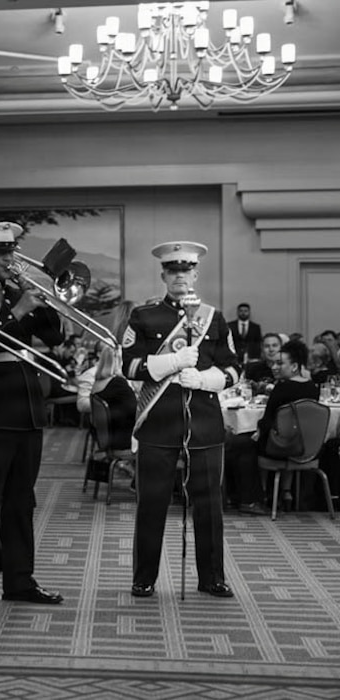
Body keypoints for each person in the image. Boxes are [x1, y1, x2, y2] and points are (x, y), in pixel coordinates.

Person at [0, 221, 65, 616]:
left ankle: (20, 580)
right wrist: (18, 310)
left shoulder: (21, 290)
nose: (9, 260)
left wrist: (48, 298)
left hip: (26, 404)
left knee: (22, 502)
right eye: (1, 253)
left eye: (12, 252)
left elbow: (54, 338)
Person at [123, 241, 240, 599]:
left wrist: (206, 379)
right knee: (152, 504)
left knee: (209, 506)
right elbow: (128, 365)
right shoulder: (144, 316)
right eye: (173, 271)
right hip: (159, 421)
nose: (180, 277)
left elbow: (235, 369)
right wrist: (171, 363)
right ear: (163, 275)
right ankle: (144, 578)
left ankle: (212, 578)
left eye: (186, 270)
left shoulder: (213, 317)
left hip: (203, 421)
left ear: (195, 274)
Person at [225, 340, 318, 515]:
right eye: (274, 363)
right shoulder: (312, 387)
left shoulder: (282, 388)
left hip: (280, 446)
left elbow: (267, 421)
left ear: (294, 366)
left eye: (280, 363)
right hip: (307, 446)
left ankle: (247, 499)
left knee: (238, 444)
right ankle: (267, 496)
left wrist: (259, 429)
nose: (275, 367)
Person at [75, 301, 138, 452]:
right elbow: (82, 404)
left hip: (119, 429)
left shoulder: (124, 375)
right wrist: (110, 406)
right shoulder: (94, 376)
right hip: (118, 432)